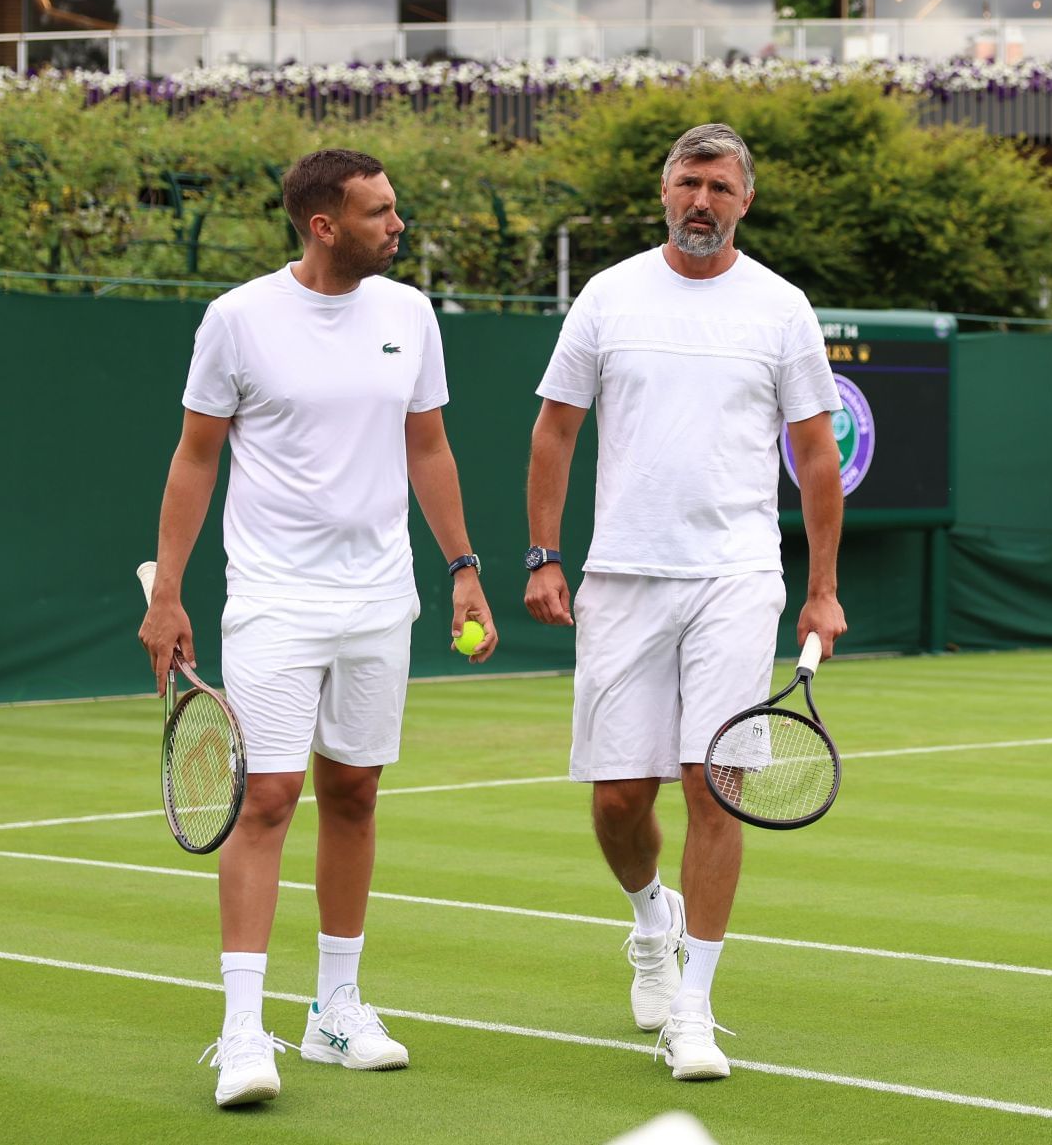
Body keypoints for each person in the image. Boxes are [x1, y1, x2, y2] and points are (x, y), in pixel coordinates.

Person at [137, 148, 498, 1108]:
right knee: (266, 799)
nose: (399, 224)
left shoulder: (410, 314)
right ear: (322, 225)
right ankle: (242, 1028)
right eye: (380, 212)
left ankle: (336, 1008)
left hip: (381, 599)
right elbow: (194, 459)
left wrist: (464, 569)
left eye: (397, 206)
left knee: (355, 794)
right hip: (274, 601)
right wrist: (166, 593)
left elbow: (429, 446)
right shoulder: (239, 319)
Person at [523, 123, 847, 1082]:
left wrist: (821, 588)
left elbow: (817, 455)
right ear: (664, 193)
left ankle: (696, 1010)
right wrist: (544, 554)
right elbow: (554, 431)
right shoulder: (608, 294)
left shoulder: (782, 308)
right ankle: (649, 916)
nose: (700, 200)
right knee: (621, 799)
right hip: (621, 575)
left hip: (737, 576)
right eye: (686, 183)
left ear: (745, 201)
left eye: (718, 186)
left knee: (716, 784)